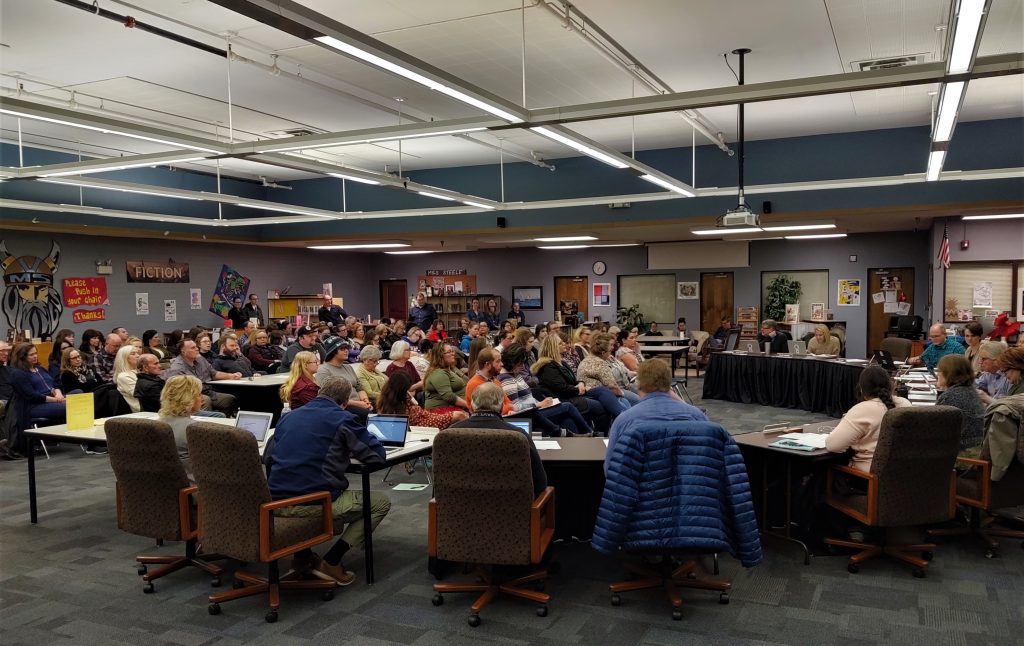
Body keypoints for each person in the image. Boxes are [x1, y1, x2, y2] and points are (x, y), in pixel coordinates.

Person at [268, 377, 392, 585]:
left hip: (275, 501)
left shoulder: (288, 417)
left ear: (319, 393)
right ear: (345, 402)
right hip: (314, 501)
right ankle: (332, 561)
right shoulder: (342, 418)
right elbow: (375, 455)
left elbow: (269, 458)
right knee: (379, 502)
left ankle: (303, 557)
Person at [604, 358, 708, 474]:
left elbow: (610, 468)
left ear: (639, 385)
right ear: (669, 384)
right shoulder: (697, 416)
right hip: (690, 485)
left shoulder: (624, 421)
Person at [449, 383, 548, 496]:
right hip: (511, 510)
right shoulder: (517, 436)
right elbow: (540, 483)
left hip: (458, 509)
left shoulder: (451, 433)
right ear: (501, 407)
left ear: (471, 405)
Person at [825, 366, 911, 472]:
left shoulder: (861, 410)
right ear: (891, 385)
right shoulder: (905, 404)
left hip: (869, 477)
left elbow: (833, 446)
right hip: (903, 473)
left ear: (861, 389)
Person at [532, 334, 620, 435]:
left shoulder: (561, 363)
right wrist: (578, 389)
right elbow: (562, 388)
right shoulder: (548, 367)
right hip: (564, 398)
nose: (564, 344)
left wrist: (581, 383)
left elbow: (574, 380)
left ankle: (622, 416)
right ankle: (600, 435)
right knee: (601, 407)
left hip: (574, 394)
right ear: (553, 347)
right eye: (560, 343)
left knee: (602, 390)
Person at [497, 343, 591, 436]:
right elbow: (515, 406)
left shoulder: (515, 375)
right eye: (521, 363)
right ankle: (590, 433)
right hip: (529, 415)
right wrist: (539, 404)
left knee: (567, 419)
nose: (522, 366)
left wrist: (543, 404)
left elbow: (528, 398)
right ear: (513, 361)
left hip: (535, 410)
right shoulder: (506, 379)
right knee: (568, 406)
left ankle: (577, 441)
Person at [158, 375, 224, 482]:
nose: (202, 398)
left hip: (164, 485)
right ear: (187, 398)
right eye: (199, 394)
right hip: (194, 488)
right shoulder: (194, 430)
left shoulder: (156, 425)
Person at [163, 339, 240, 415]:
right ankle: (204, 424)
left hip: (207, 391)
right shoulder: (177, 367)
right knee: (206, 400)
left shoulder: (200, 359)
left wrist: (231, 375)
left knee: (229, 399)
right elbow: (182, 391)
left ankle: (220, 421)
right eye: (193, 348)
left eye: (196, 347)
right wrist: (198, 395)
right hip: (191, 395)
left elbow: (214, 373)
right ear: (183, 351)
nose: (197, 349)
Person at [377, 371, 466, 430]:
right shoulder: (396, 403)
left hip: (424, 416)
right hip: (420, 425)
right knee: (459, 415)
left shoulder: (395, 395)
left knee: (460, 414)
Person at [935, 354, 985, 455]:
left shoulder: (950, 396)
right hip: (976, 448)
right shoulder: (969, 390)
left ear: (948, 373)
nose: (937, 374)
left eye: (939, 371)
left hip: (962, 454)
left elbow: (935, 429)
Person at [575, 333, 634, 410]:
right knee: (635, 401)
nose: (610, 354)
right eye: (609, 351)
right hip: (601, 396)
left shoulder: (585, 360)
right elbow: (613, 386)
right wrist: (622, 393)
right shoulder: (600, 362)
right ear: (603, 353)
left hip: (590, 395)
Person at [315, 337, 373, 415]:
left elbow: (359, 387)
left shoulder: (348, 367)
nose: (346, 351)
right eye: (342, 349)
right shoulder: (324, 370)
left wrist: (365, 400)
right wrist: (359, 404)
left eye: (347, 348)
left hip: (359, 403)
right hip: (342, 407)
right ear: (333, 352)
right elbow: (331, 397)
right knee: (367, 414)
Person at [423, 343, 469, 414]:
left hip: (453, 408)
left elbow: (467, 381)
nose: (453, 354)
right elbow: (448, 396)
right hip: (440, 410)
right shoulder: (438, 373)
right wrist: (469, 405)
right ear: (440, 356)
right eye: (449, 352)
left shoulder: (449, 369)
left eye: (452, 351)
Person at [113, 345, 142, 413]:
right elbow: (142, 394)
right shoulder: (124, 376)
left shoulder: (140, 372)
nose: (138, 356)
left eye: (138, 353)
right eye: (133, 354)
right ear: (124, 358)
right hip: (143, 410)